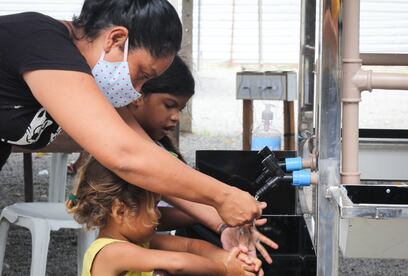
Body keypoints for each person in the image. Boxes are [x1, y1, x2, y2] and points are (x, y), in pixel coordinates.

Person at [0, 0, 263, 226]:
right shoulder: (41, 42)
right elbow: (124, 154)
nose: (137, 91)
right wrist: (223, 196)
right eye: (142, 75)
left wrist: (220, 222)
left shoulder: (85, 74)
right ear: (116, 39)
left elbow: (146, 153)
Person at [125, 55, 278, 263]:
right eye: (169, 105)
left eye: (180, 109)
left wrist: (223, 221)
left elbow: (153, 216)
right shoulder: (126, 150)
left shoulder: (155, 150)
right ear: (138, 95)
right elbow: (139, 222)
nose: (176, 117)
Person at [67, 157, 264, 276]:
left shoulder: (138, 242)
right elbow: (177, 263)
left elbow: (191, 246)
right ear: (121, 211)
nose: (160, 214)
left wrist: (233, 259)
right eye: (153, 206)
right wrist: (225, 270)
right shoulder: (110, 252)